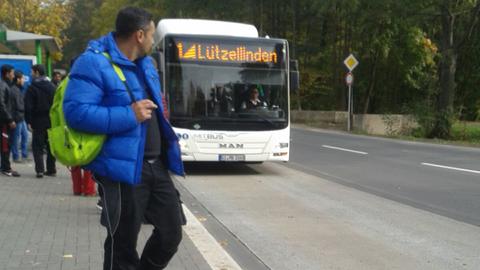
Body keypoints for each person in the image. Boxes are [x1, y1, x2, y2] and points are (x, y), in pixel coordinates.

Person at [63, 7, 185, 270]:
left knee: (171, 234)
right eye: (151, 35)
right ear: (139, 35)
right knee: (123, 244)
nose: (153, 41)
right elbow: (76, 113)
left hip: (156, 165)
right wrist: (128, 115)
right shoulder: (93, 62)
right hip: (121, 169)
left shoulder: (146, 65)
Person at [24, 64, 57, 178]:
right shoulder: (52, 87)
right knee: (50, 146)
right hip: (51, 121)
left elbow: (28, 107)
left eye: (32, 72)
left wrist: (29, 121)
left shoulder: (32, 88)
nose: (31, 74)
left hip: (38, 121)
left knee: (37, 146)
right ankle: (51, 169)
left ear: (37, 73)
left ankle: (40, 170)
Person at [0, 65, 20, 177]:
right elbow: (2, 104)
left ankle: (4, 166)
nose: (13, 75)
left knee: (5, 144)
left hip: (4, 120)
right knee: (5, 145)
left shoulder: (6, 84)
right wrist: (10, 119)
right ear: (7, 73)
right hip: (3, 122)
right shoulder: (2, 85)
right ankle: (6, 168)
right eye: (12, 73)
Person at [10, 71, 28, 163]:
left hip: (21, 117)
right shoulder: (14, 90)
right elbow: (16, 105)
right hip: (17, 117)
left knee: (25, 136)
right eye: (22, 79)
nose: (24, 80)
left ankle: (24, 155)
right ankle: (16, 156)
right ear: (18, 79)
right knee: (16, 138)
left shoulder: (19, 89)